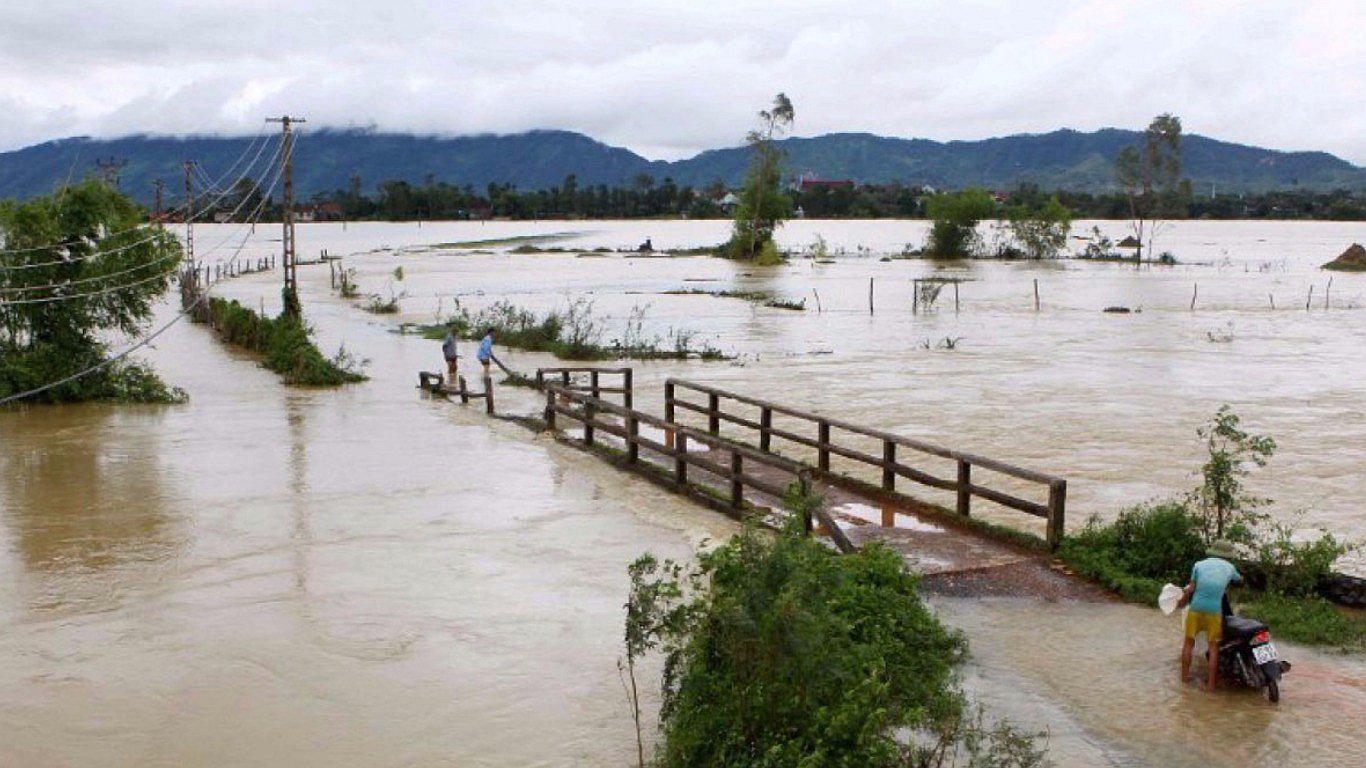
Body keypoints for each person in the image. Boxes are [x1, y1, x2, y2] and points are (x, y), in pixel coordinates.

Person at [1177, 540, 1243, 691]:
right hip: (1214, 611)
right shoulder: (1230, 567)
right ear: (1228, 555)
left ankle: (1184, 680)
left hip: (1196, 608)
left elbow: (1191, 589)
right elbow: (1239, 579)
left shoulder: (1199, 565)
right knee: (1213, 648)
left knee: (1188, 643)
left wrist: (1181, 602)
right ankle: (1211, 686)